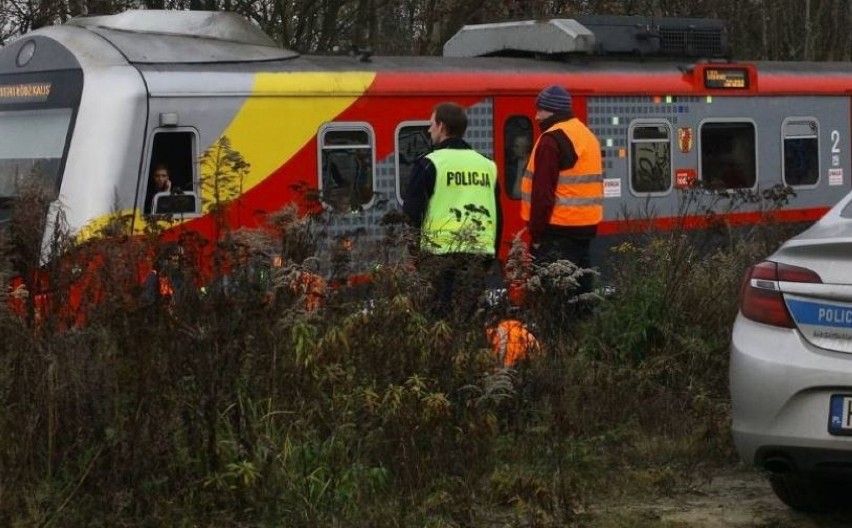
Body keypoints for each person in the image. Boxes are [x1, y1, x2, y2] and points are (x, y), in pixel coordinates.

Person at [403, 102, 501, 318]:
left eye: (431, 125)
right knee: (469, 317)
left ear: (442, 126)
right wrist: (491, 255)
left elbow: (411, 212)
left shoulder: (430, 163)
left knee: (439, 319)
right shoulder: (487, 165)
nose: (429, 130)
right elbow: (497, 215)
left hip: (439, 257)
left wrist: (416, 256)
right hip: (478, 256)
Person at [520, 85, 603, 310]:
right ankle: (581, 340)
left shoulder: (551, 140)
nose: (536, 116)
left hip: (557, 231)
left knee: (552, 302)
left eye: (540, 110)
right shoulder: (586, 136)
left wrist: (536, 236)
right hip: (585, 230)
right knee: (580, 297)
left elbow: (542, 194)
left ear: (552, 111)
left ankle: (554, 342)